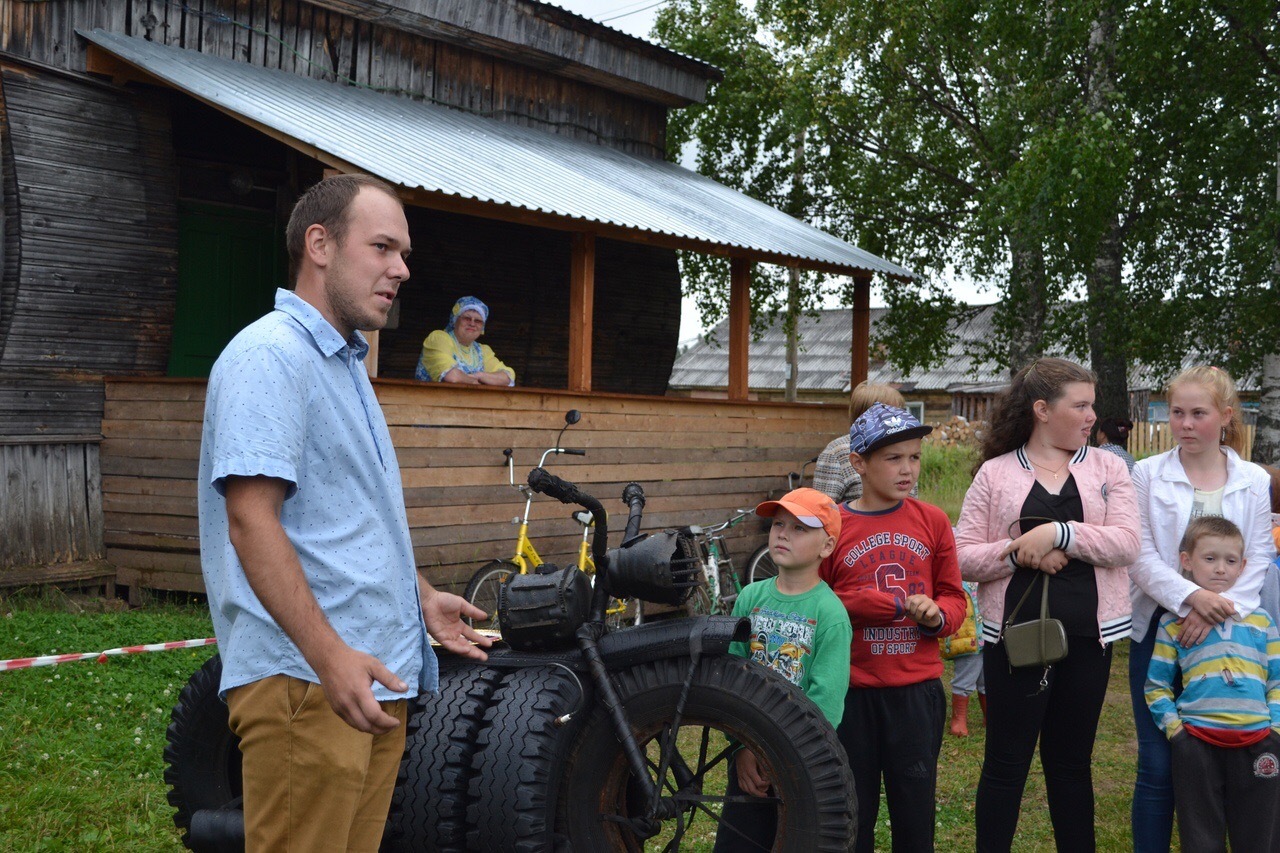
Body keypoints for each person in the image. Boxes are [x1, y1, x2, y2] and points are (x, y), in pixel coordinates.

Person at [198, 174, 493, 852]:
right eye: (384, 247)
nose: (402, 269)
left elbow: (343, 517)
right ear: (320, 244)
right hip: (308, 682)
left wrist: (419, 598)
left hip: (366, 679)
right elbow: (251, 519)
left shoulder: (343, 364)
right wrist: (328, 655)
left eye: (404, 252)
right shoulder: (271, 355)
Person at [954, 357, 1140, 853]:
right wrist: (1019, 553)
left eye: (1091, 405)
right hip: (1015, 640)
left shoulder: (1108, 467)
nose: (1090, 416)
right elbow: (963, 554)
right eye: (1079, 405)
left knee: (1072, 764)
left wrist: (1061, 533)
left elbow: (1126, 543)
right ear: (1041, 409)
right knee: (1006, 764)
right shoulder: (995, 474)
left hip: (1087, 638)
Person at [1127, 365, 1274, 853]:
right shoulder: (1147, 473)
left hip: (1233, 636)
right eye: (1177, 413)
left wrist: (1213, 609)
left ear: (1226, 417)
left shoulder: (1253, 479)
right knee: (1158, 764)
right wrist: (1191, 599)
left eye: (1198, 413)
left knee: (1229, 760)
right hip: (1159, 629)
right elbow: (1141, 555)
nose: (1185, 424)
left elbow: (1256, 561)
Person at [819, 402, 967, 853]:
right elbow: (814, 602)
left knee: (914, 811)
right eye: (893, 458)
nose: (908, 469)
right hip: (851, 692)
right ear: (858, 464)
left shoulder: (933, 520)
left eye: (915, 457)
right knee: (850, 810)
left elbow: (956, 599)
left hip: (915, 694)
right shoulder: (833, 525)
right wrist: (868, 604)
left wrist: (936, 616)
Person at [713, 487, 852, 851]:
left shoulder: (830, 614)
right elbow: (732, 674)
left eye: (800, 528)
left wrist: (785, 754)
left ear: (827, 546)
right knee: (739, 841)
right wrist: (742, 748)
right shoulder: (750, 597)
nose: (783, 534)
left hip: (799, 763)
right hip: (748, 756)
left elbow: (826, 700)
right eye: (778, 524)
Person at [1145, 516, 1280, 852]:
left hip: (1259, 742)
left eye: (1231, 561)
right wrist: (1177, 733)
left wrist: (1275, 730)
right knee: (1201, 837)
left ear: (1243, 566)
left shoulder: (1262, 621)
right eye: (1210, 559)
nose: (1221, 569)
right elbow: (1156, 685)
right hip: (1197, 745)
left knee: (1259, 836)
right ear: (1187, 561)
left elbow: (1277, 680)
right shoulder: (1172, 624)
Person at [813, 381, 907, 503]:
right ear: (865, 414)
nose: (896, 418)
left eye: (899, 412)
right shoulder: (838, 452)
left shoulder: (904, 448)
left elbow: (910, 502)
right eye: (888, 413)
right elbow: (821, 509)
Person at [415, 296, 516, 385]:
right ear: (455, 320)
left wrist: (480, 375)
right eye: (467, 318)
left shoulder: (482, 350)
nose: (472, 324)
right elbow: (452, 376)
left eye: (478, 321)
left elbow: (507, 377)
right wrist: (476, 382)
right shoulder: (439, 338)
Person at [943, 580, 986, 737]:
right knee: (965, 679)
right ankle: (958, 719)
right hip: (965, 639)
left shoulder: (984, 575)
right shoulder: (956, 577)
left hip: (987, 637)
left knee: (986, 680)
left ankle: (989, 717)